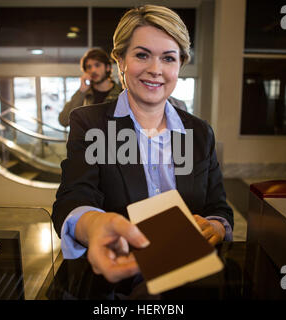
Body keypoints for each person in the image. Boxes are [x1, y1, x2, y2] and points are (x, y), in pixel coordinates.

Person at [51, 5, 233, 299]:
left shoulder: (198, 133)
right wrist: (95, 224)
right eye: (142, 54)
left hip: (191, 283)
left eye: (168, 58)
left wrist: (216, 226)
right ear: (120, 60)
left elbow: (219, 207)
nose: (155, 70)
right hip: (117, 287)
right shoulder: (91, 123)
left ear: (180, 65)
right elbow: (73, 197)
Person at [58, 48, 123, 127]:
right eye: (89, 67)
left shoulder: (121, 95)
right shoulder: (84, 95)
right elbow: (63, 120)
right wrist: (81, 92)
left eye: (97, 65)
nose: (93, 70)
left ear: (108, 67)